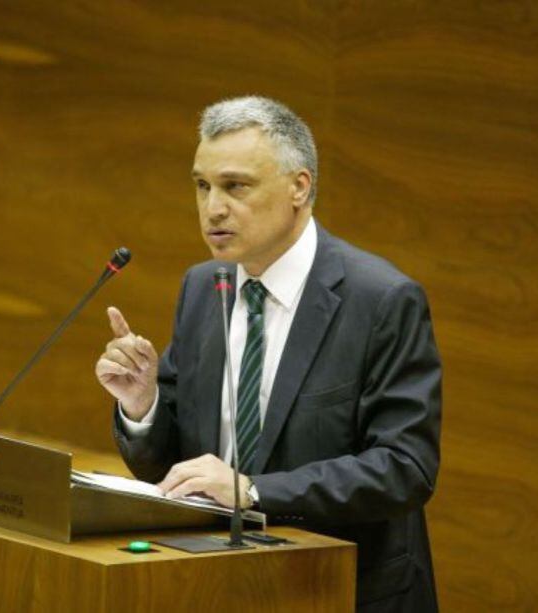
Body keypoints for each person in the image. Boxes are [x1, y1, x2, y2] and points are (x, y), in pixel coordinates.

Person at [95, 96, 442, 612]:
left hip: (340, 589)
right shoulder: (202, 288)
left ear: (299, 187)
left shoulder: (381, 301)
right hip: (218, 582)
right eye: (202, 186)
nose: (213, 207)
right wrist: (142, 407)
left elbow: (404, 467)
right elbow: (175, 465)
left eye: (236, 186)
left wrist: (254, 490)